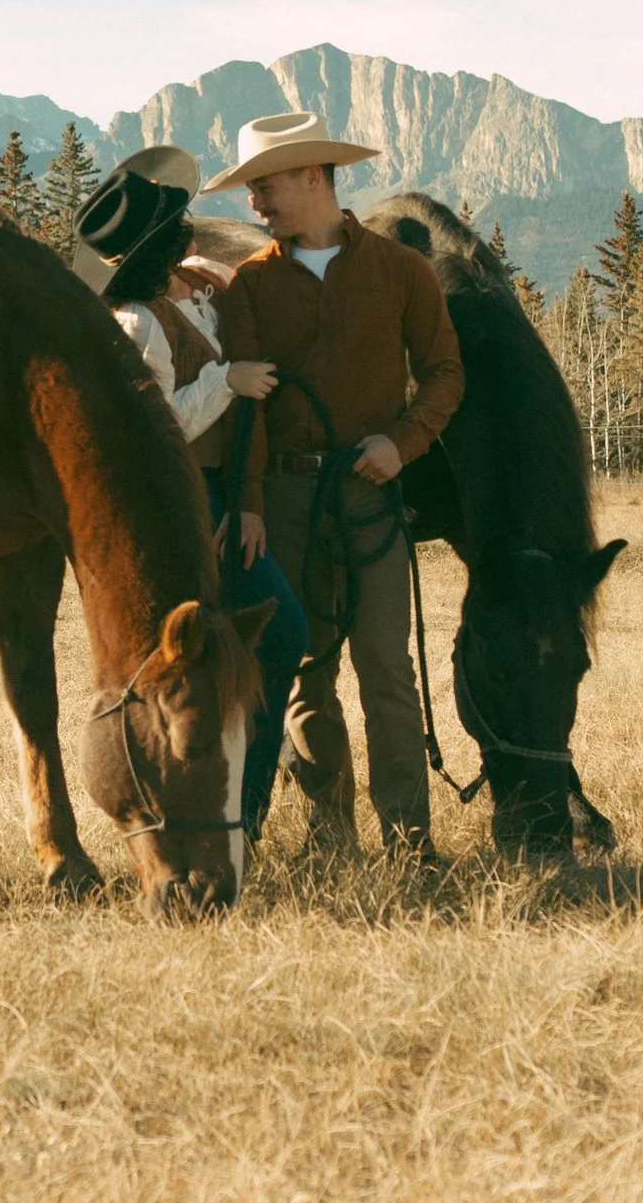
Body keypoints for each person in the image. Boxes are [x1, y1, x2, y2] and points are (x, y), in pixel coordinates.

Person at [203, 111, 466, 861]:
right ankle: (331, 841)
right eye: (252, 188)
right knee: (304, 674)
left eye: (265, 185)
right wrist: (249, 503)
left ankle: (411, 842)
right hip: (284, 502)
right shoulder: (249, 286)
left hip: (372, 493)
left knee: (386, 665)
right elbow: (247, 405)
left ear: (313, 176)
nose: (254, 203)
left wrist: (404, 443)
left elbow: (446, 372)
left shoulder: (401, 272)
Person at [72, 147, 311, 838]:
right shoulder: (138, 322)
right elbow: (161, 422)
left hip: (220, 493)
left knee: (264, 638)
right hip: (184, 501)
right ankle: (240, 804)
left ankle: (246, 800)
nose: (190, 225)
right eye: (177, 222)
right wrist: (227, 381)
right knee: (276, 632)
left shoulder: (188, 293)